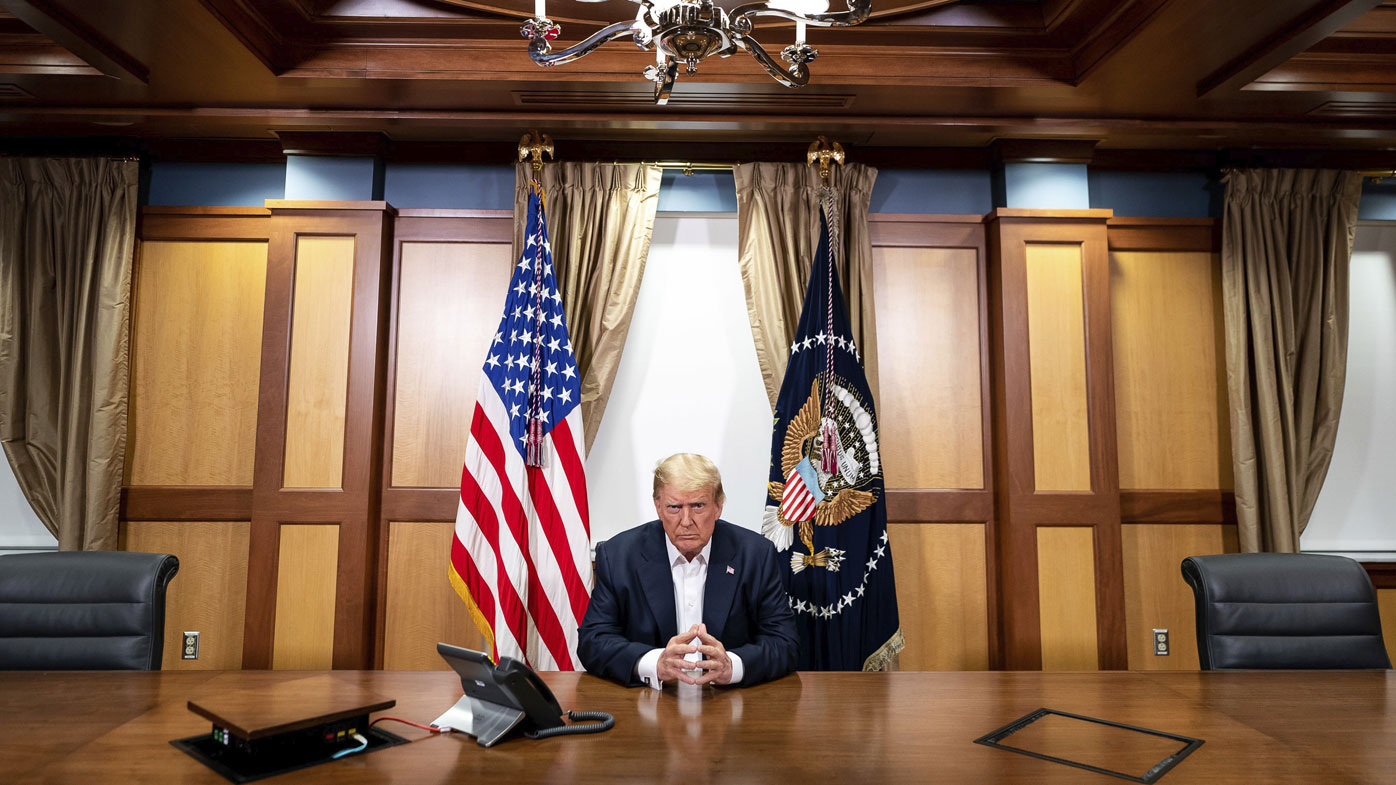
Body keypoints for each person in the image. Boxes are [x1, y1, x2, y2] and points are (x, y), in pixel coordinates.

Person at [578, 453, 798, 688]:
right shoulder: (619, 556)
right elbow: (593, 641)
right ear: (658, 507)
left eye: (698, 506)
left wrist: (731, 666)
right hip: (649, 703)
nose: (686, 520)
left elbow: (785, 643)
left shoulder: (754, 554)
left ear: (718, 507)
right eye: (674, 507)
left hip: (729, 703)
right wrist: (655, 663)